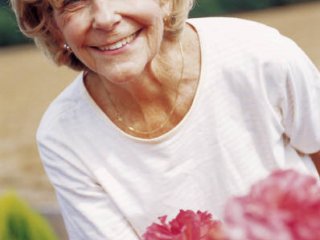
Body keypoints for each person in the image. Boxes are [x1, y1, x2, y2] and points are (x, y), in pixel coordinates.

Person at [11, 0, 320, 239]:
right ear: (51, 24)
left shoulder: (260, 54)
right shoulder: (62, 136)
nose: (105, 17)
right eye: (73, 1)